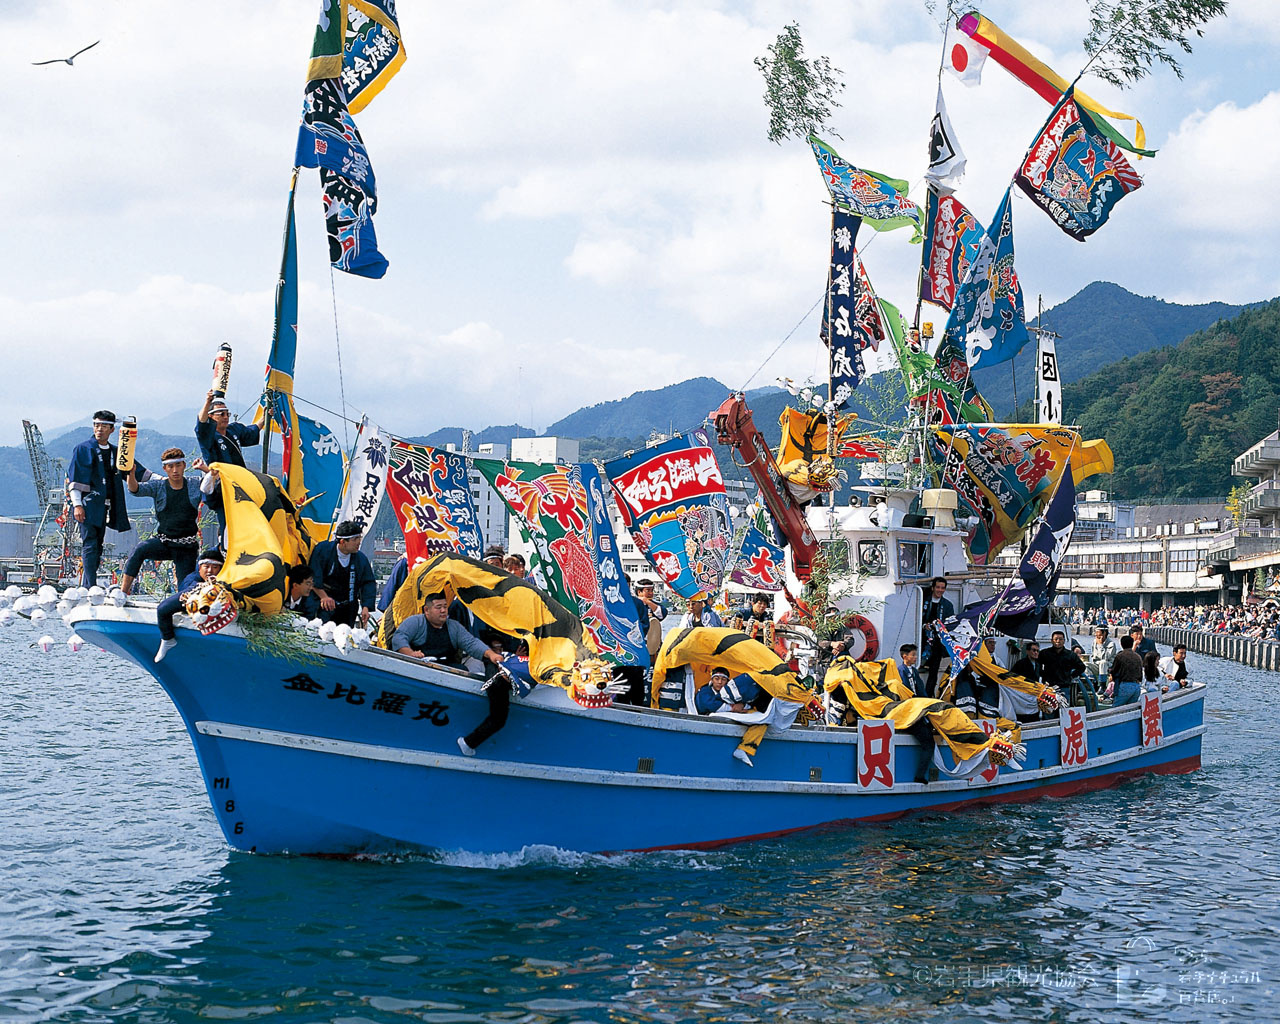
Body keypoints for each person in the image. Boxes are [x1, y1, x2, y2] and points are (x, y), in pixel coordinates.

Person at [120, 447, 205, 594]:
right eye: (170, 466)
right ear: (165, 468)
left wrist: (205, 468)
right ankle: (122, 592)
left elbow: (215, 484)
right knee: (140, 549)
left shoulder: (195, 484)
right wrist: (131, 474)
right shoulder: (159, 486)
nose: (175, 470)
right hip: (164, 542)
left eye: (178, 465)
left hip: (187, 547)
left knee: (185, 590)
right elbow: (135, 490)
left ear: (184, 465)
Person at [66, 411, 131, 587]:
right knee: (90, 544)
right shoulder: (83, 449)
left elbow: (134, 469)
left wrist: (163, 480)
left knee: (98, 545)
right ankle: (90, 587)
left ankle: (88, 584)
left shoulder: (116, 452)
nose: (99, 429)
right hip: (87, 505)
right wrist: (77, 505)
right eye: (96, 425)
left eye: (103, 426)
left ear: (112, 429)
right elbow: (75, 480)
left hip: (105, 507)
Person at [154, 549, 223, 663]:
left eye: (215, 567)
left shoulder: (225, 577)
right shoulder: (193, 578)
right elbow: (188, 586)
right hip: (193, 599)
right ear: (199, 568)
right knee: (162, 609)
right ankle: (167, 639)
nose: (210, 570)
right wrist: (205, 585)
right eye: (206, 567)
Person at [310, 520, 376, 627]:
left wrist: (366, 607)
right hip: (324, 604)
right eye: (355, 539)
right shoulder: (324, 550)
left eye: (359, 538)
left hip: (348, 607)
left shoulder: (360, 558)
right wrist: (324, 597)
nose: (359, 542)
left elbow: (368, 583)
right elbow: (313, 576)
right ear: (342, 542)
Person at [195, 390, 260, 468]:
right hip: (220, 476)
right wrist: (208, 402)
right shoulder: (208, 435)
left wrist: (265, 417)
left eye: (227, 414)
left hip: (239, 474)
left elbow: (252, 431)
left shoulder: (233, 429)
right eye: (222, 414)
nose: (226, 417)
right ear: (210, 416)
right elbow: (202, 422)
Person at [1040, 630, 1092, 710]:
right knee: (1048, 712)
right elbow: (1037, 665)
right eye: (1056, 639)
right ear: (1051, 641)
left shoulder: (1070, 655)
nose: (1058, 641)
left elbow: (1081, 667)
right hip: (1048, 688)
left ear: (1064, 641)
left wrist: (1071, 676)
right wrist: (1043, 675)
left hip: (1064, 688)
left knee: (1064, 712)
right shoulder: (1045, 653)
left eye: (1060, 639)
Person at [920, 577, 954, 691]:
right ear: (933, 588)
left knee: (934, 670)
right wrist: (925, 626)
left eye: (942, 588)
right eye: (938, 587)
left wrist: (938, 627)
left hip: (938, 642)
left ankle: (928, 694)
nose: (940, 590)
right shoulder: (922, 600)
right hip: (922, 639)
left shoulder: (948, 605)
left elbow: (950, 625)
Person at [1108, 634, 1144, 706]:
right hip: (1136, 686)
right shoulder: (1138, 657)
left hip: (1125, 686)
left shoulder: (1120, 656)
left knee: (1116, 709)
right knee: (1130, 709)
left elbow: (1114, 670)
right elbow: (1140, 674)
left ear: (1121, 644)